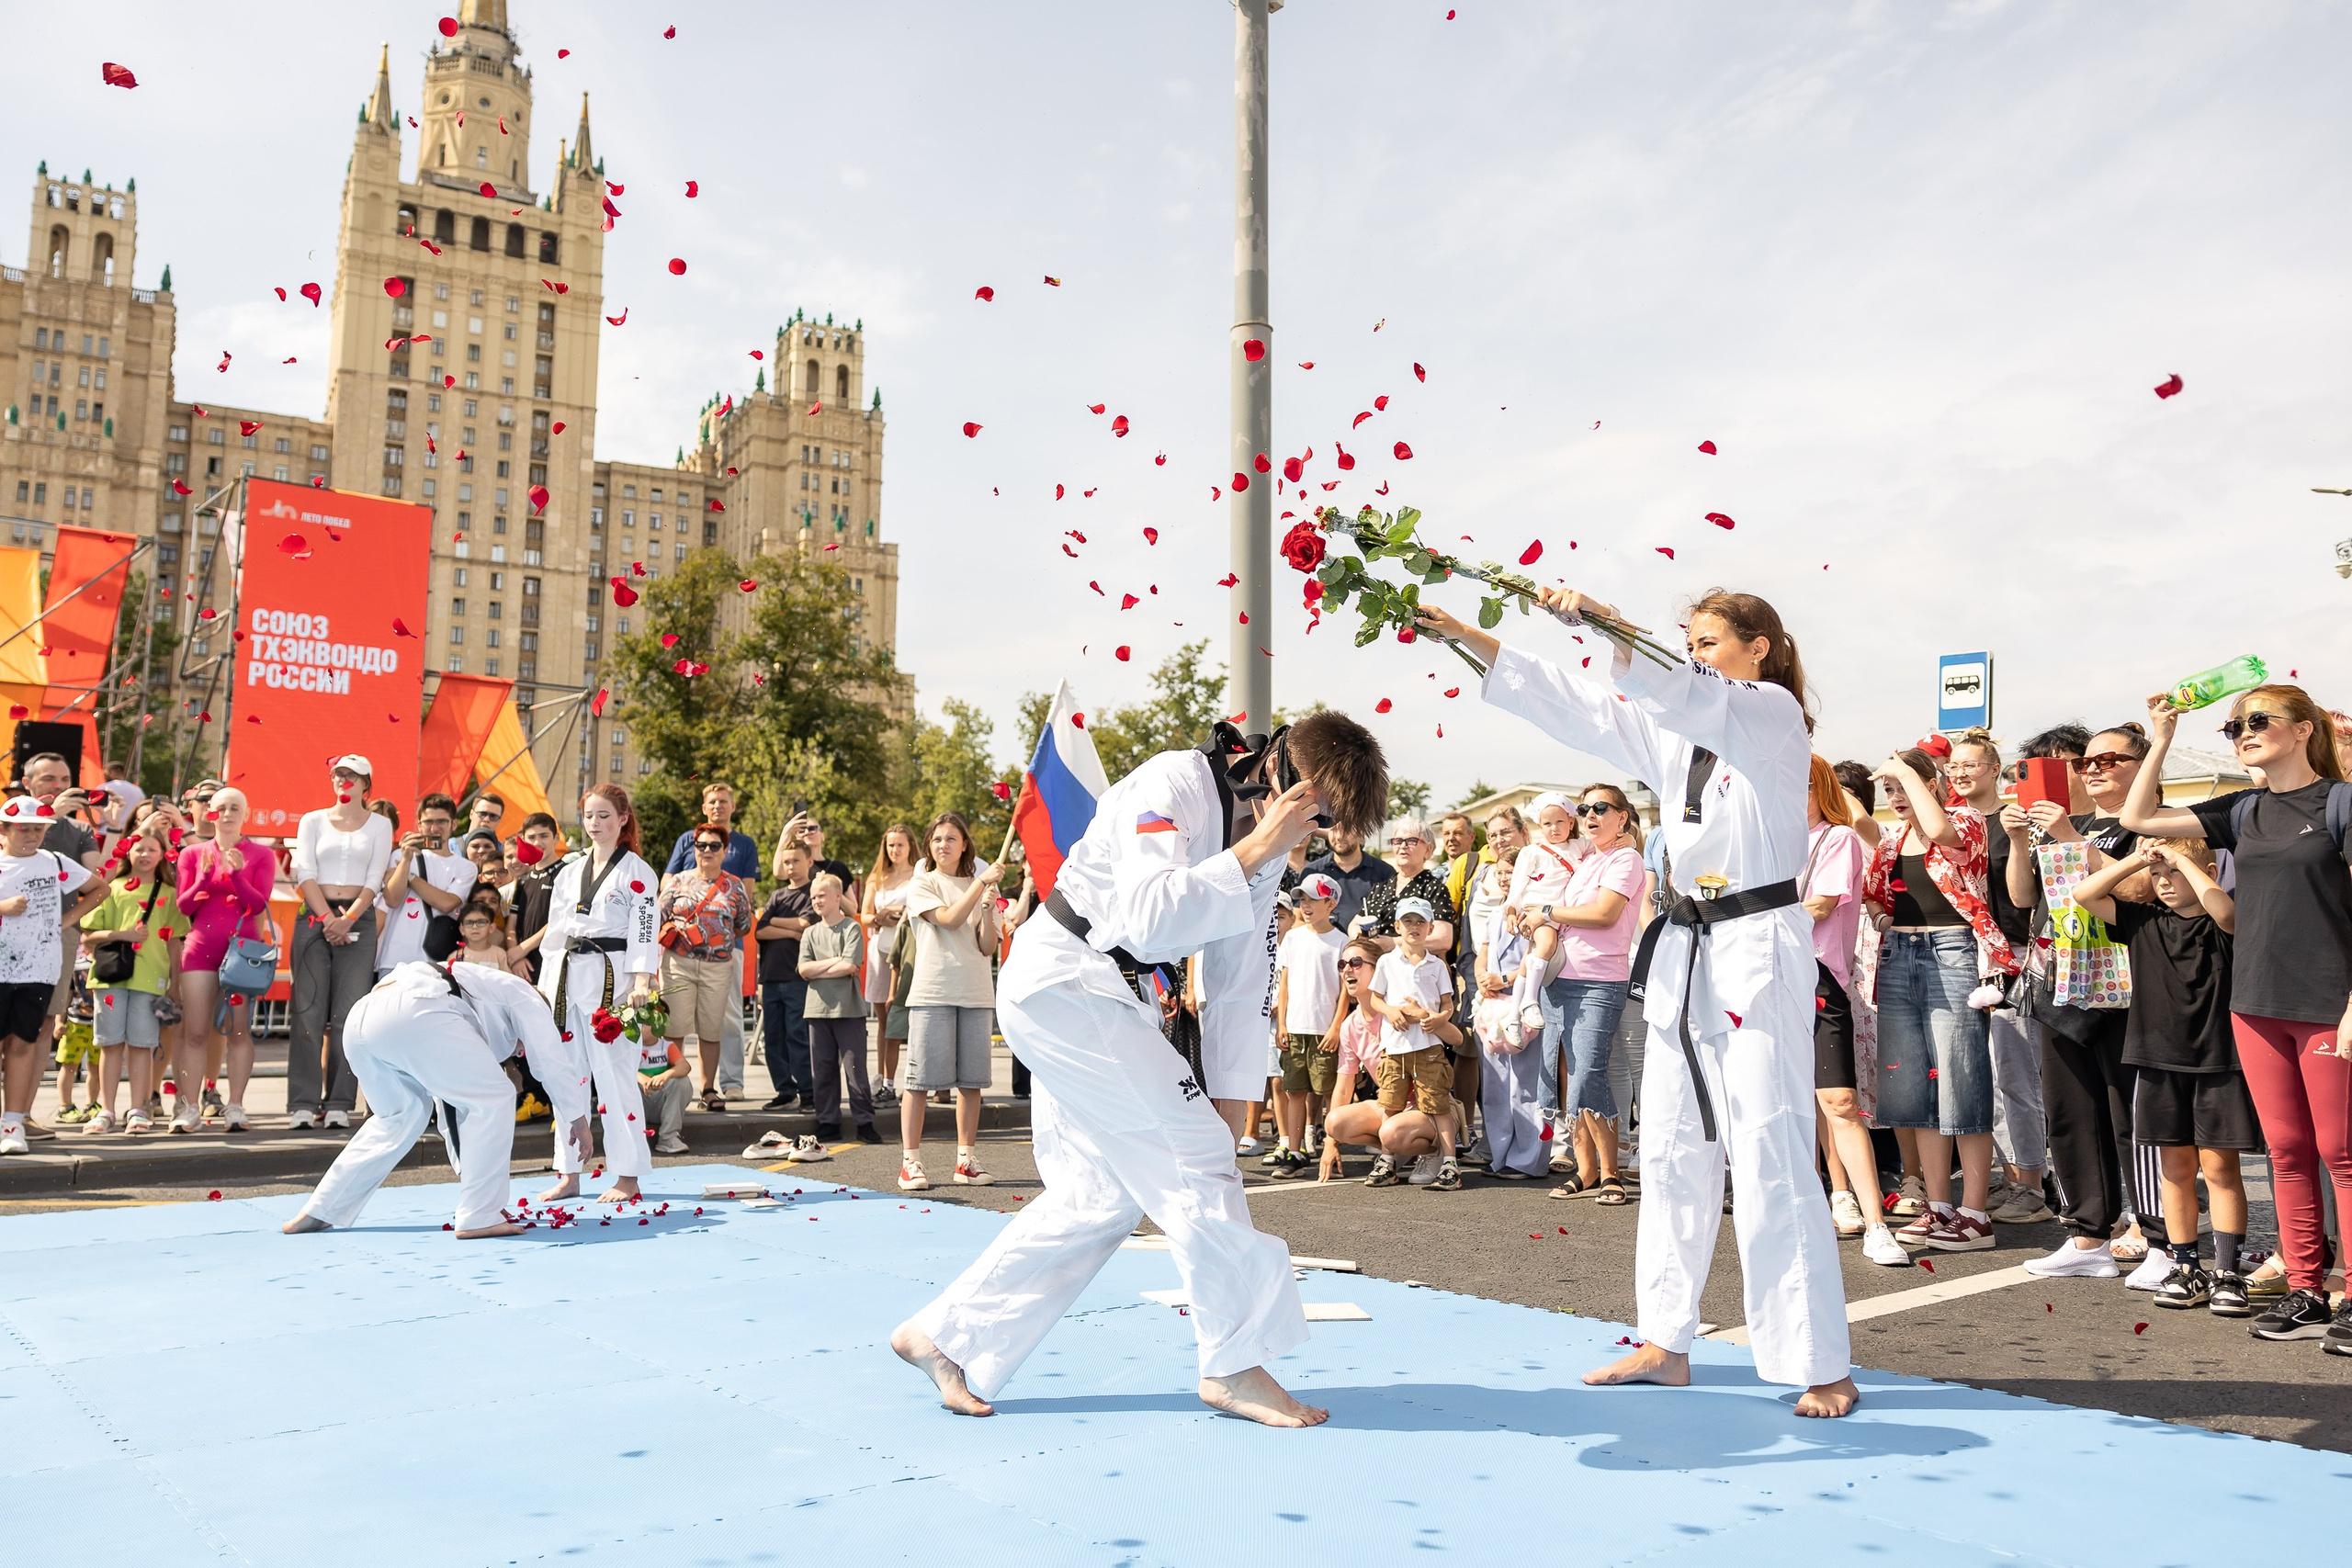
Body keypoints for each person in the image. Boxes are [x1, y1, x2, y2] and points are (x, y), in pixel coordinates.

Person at [1421, 586, 1860, 1418]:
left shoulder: (1770, 715)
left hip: (1756, 943)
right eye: (1686, 642)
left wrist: (1601, 620)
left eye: (1710, 641)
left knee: (1767, 1149)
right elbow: (1580, 706)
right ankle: (1666, 1339)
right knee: (1665, 1147)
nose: (1694, 654)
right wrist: (1468, 638)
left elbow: (1673, 687)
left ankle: (1818, 1358)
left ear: (1759, 648)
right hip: (1686, 951)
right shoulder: (1676, 730)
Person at [895, 711, 1385, 1427]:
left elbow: (1241, 973)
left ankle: (946, 1335)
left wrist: (1232, 1097)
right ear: (1282, 770)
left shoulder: (1265, 844)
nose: (1318, 832)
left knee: (1101, 1195)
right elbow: (1151, 918)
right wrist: (1256, 849)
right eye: (1323, 813)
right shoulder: (1175, 784)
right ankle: (1233, 1362)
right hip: (1065, 975)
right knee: (1195, 1161)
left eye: (1333, 824)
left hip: (1106, 993)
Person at [2118, 685, 2352, 1350]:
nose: (2242, 732)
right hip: (2254, 1004)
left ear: (2304, 729)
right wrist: (2161, 736)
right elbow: (2142, 816)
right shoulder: (2243, 808)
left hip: (2327, 1004)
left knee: (2341, 1153)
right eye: (2233, 726)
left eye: (2258, 721)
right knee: (2286, 1151)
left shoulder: (2339, 802)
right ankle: (2307, 1288)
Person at [2068, 837, 2256, 1315]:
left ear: (2208, 870)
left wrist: (2185, 864)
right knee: (2174, 1169)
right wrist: (2141, 859)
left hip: (2219, 1060)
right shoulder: (2142, 920)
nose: (2166, 883)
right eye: (2159, 878)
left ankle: (2228, 1272)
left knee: (2219, 1169)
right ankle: (2186, 1264)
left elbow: (2227, 913)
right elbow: (2086, 894)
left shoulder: (2223, 923)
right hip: (2157, 1060)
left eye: (2176, 874)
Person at [282, 961, 594, 1237]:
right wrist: (578, 1121)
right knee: (497, 1095)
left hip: (363, 1019)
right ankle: (480, 1215)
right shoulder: (526, 996)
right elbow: (551, 1061)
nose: (520, 1053)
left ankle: (323, 1207)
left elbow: (454, 1112)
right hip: (414, 1009)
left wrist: (470, 1174)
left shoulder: (473, 1004)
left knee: (401, 1116)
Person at [2008, 721, 2155, 1280]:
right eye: (2086, 763)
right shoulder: (2070, 826)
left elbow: (2139, 895)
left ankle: (2154, 1229)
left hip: (2126, 986)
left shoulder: (2150, 824)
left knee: (2130, 1113)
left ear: (2141, 766)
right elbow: (2025, 897)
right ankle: (2088, 1234)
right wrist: (2025, 840)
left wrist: (2074, 841)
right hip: (2060, 984)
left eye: (2108, 760)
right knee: (2069, 1112)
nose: (2093, 770)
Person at [1864, 749, 2017, 1253]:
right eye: (1890, 791)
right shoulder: (1891, 842)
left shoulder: (1967, 819)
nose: (1896, 798)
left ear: (1930, 784)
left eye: (1904, 788)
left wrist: (1908, 771)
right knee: (1913, 1084)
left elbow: (1944, 835)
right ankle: (1939, 1205)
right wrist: (1883, 918)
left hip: (1951, 951)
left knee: (1961, 1075)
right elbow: (1874, 894)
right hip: (1899, 953)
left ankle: (1974, 1212)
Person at [1801, 757, 1908, 1268]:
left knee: (1840, 1101)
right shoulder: (1759, 843)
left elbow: (1821, 906)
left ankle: (1877, 1224)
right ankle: (1826, 1197)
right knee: (1791, 1104)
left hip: (1820, 976)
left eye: (1798, 784)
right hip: (1765, 979)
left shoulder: (1836, 838)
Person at [533, 784, 660, 1205]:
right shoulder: (569, 871)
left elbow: (645, 931)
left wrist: (641, 982)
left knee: (616, 1076)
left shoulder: (638, 872)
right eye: (589, 816)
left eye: (605, 815)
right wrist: (544, 988)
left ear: (623, 819)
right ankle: (569, 1172)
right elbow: (554, 935)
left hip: (614, 980)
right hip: (568, 977)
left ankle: (628, 1175)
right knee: (567, 1076)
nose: (595, 824)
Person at [1948, 728, 2053, 1224]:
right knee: (1977, 1075)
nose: (1961, 773)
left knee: (2015, 1071)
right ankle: (2003, 1173)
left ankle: (2030, 1180)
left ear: (1995, 769)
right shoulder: (1947, 825)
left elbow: (2029, 893)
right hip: (1961, 954)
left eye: (1971, 764)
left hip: (2012, 952)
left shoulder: (2018, 819)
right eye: (1953, 767)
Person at [1532, 784, 1648, 1204]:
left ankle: (1611, 1173)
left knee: (1588, 1074)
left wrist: (1546, 913)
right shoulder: (1587, 860)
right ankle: (1585, 1171)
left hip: (1600, 980)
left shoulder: (1626, 859)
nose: (1590, 815)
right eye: (1584, 809)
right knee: (1569, 1077)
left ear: (1622, 817)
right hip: (1559, 979)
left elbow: (1604, 915)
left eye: (1601, 808)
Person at [288, 755, 392, 1131]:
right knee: (308, 1010)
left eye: (352, 775)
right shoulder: (312, 820)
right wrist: (329, 919)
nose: (343, 780)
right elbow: (305, 872)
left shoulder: (380, 825)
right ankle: (302, 1101)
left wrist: (348, 919)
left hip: (358, 917)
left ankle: (338, 1103)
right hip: (316, 913)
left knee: (349, 1015)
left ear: (367, 783)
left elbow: (376, 876)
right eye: (338, 774)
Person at [899, 811, 1000, 1192]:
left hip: (975, 992)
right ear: (929, 844)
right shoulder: (922, 883)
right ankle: (911, 1162)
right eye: (937, 838)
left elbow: (987, 945)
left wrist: (989, 913)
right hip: (932, 991)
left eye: (951, 838)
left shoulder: (980, 884)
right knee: (920, 1081)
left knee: (972, 1083)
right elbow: (950, 919)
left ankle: (965, 1160)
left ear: (964, 844)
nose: (943, 844)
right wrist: (979, 889)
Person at [0, 796, 107, 1155]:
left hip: (38, 970)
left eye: (37, 828)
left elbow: (100, 889)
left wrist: (65, 921)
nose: (30, 835)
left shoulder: (55, 862)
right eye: (22, 828)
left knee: (23, 1044)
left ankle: (13, 1122)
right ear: (5, 829)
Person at [169, 787, 277, 1136]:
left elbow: (258, 904)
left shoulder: (261, 854)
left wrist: (236, 876)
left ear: (245, 814)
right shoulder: (192, 853)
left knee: (238, 1029)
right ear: (209, 814)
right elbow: (185, 907)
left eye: (235, 808)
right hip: (201, 947)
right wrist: (203, 877)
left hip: (242, 951)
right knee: (195, 1031)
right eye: (221, 808)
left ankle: (235, 1104)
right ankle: (188, 1107)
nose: (227, 814)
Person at [1323, 931, 1462, 1181]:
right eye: (1342, 965)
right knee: (1335, 1123)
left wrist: (1425, 1016)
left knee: (1391, 1131)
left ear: (1379, 971)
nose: (1347, 970)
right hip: (1393, 1107)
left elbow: (1456, 1038)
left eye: (1356, 963)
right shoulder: (1350, 1026)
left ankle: (1434, 1151)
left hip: (1431, 1107)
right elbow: (1343, 1089)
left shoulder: (1399, 1007)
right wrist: (1329, 1144)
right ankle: (1397, 1147)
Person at [76, 825, 175, 1134]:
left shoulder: (170, 895)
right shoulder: (112, 888)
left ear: (162, 856)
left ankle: (138, 1109)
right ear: (127, 852)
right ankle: (106, 1109)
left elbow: (176, 941)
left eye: (152, 849)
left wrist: (177, 982)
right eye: (139, 848)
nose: (144, 854)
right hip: (110, 979)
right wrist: (124, 935)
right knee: (110, 1045)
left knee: (142, 1045)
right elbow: (89, 935)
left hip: (151, 980)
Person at [1363, 897, 1463, 1190]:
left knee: (1437, 1105)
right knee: (1390, 1104)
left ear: (1431, 927)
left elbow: (1447, 1004)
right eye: (1408, 921)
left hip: (1429, 1047)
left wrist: (1438, 1019)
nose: (1414, 927)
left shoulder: (1437, 964)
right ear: (1397, 926)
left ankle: (1449, 1164)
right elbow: (1375, 998)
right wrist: (1391, 1011)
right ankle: (1387, 1161)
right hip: (1395, 1047)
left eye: (1420, 922)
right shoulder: (1386, 961)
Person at [658, 823, 755, 1114]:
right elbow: (656, 916)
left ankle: (708, 1089)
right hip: (678, 964)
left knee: (711, 1029)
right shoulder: (677, 882)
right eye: (701, 845)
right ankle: (673, 1086)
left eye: (714, 846)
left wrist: (715, 942)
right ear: (694, 849)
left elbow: (743, 926)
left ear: (725, 851)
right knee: (674, 1027)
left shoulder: (735, 886)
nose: (707, 851)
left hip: (718, 967)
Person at [1269, 872, 1348, 1178]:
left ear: (1331, 903)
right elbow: (1284, 984)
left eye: (1314, 899)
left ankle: (1333, 1143)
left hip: (1324, 1030)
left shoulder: (1341, 942)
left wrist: (1336, 1027)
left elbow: (1345, 990)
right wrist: (1283, 1025)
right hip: (1295, 1028)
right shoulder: (1293, 938)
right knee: (1295, 1091)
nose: (1306, 905)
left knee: (1329, 1092)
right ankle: (1294, 1150)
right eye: (1302, 899)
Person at [800, 870, 878, 1145]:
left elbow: (850, 965)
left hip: (848, 1009)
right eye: (813, 897)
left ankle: (864, 1121)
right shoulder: (809, 932)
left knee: (855, 1069)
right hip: (817, 1010)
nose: (817, 901)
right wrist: (834, 962)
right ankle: (827, 1121)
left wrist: (820, 968)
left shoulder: (852, 928)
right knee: (822, 1070)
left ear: (837, 897)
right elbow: (803, 969)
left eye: (822, 895)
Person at [377, 793, 477, 978]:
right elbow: (392, 899)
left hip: (436, 961)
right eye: (428, 822)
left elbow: (447, 903)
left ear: (453, 824)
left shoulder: (466, 867)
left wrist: (411, 877)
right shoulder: (400, 855)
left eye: (442, 822)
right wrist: (406, 859)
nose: (434, 828)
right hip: (395, 959)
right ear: (419, 825)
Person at [756, 840, 818, 1114]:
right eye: (787, 861)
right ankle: (784, 1090)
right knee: (773, 1038)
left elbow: (805, 924)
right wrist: (791, 930)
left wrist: (775, 922)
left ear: (809, 861)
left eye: (796, 860)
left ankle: (807, 1091)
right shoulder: (778, 895)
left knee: (797, 1036)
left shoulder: (812, 893)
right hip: (770, 976)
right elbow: (759, 931)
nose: (791, 866)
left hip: (796, 978)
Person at [864, 823, 919, 1108]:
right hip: (880, 948)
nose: (894, 850)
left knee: (910, 1016)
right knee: (884, 1017)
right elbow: (864, 915)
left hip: (908, 950)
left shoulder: (919, 875)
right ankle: (886, 1080)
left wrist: (900, 913)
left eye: (899, 845)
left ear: (910, 846)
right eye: (890, 845)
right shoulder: (877, 876)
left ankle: (918, 1080)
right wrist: (878, 917)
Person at [503, 812, 568, 984]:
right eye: (531, 837)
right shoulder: (524, 879)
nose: (537, 842)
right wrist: (515, 955)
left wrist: (523, 948)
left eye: (544, 836)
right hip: (522, 966)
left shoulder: (567, 873)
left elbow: (560, 921)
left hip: (552, 964)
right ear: (523, 840)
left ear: (556, 838)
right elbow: (512, 924)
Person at [1300, 819, 1393, 935]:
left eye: (1347, 830)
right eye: (1334, 830)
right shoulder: (1312, 872)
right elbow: (1298, 918)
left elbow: (1391, 920)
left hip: (1367, 948)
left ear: (1361, 833)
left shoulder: (1384, 873)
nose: (1339, 836)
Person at [453, 896, 518, 974]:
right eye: (469, 923)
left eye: (481, 922)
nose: (474, 927)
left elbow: (508, 981)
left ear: (491, 928)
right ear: (462, 929)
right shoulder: (456, 957)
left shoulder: (499, 955)